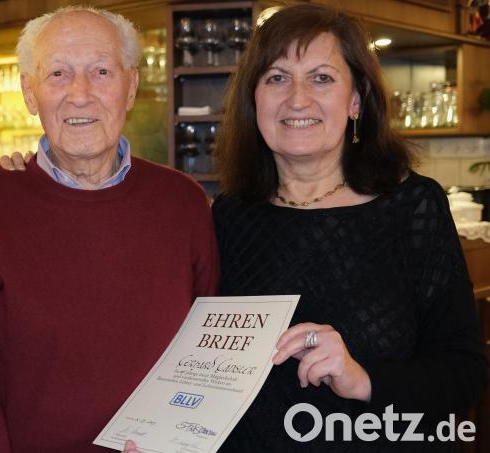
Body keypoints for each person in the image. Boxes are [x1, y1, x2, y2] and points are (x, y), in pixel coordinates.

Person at [0, 6, 219, 452]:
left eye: (102, 71)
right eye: (58, 74)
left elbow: (210, 355)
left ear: (131, 88)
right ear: (30, 94)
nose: (80, 94)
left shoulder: (183, 203)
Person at [204, 3, 485, 451]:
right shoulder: (229, 215)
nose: (297, 98)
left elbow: (464, 376)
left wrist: (362, 378)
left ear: (356, 100)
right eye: (276, 78)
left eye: (321, 78)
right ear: (253, 99)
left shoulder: (412, 207)